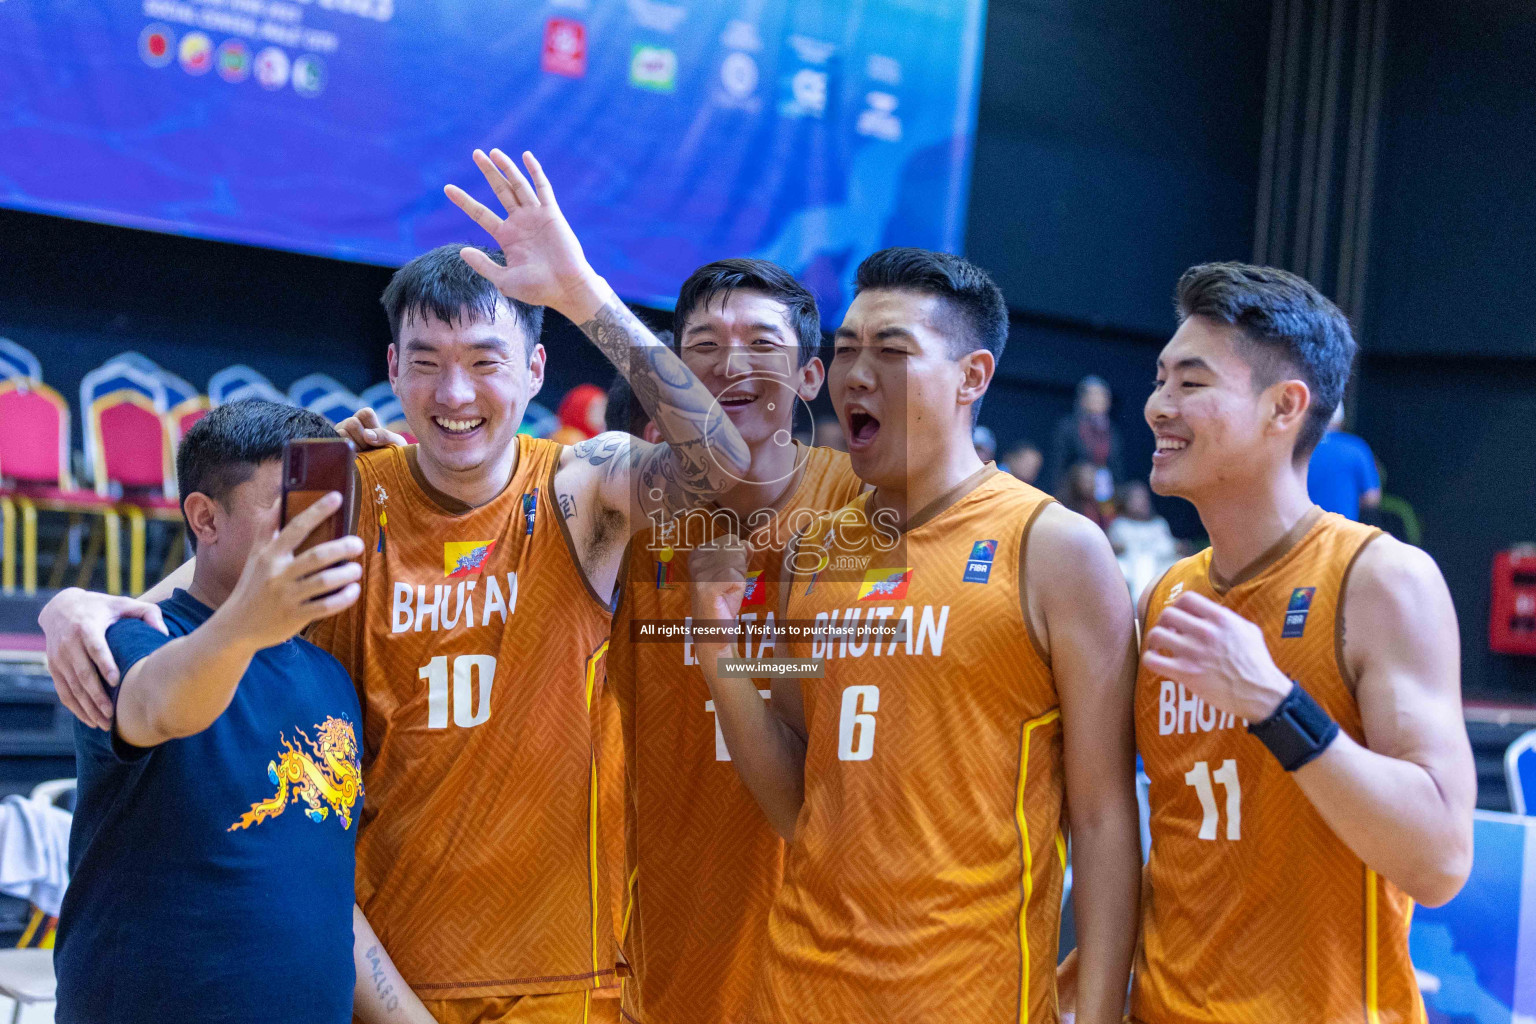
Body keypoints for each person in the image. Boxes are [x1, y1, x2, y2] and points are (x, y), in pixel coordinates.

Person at [40, 147, 748, 1024]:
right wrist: (81, 606)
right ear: (392, 367)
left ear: (534, 371)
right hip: (378, 980)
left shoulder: (580, 490)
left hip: (561, 977)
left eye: (486, 360)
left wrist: (585, 296)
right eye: (426, 361)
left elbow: (731, 469)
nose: (455, 392)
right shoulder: (345, 496)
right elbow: (202, 589)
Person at [691, 248, 1141, 1023]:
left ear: (972, 377)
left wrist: (1098, 1013)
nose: (856, 373)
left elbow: (1103, 820)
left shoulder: (1053, 548)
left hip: (966, 995)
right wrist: (720, 648)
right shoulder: (815, 550)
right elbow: (801, 797)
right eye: (850, 348)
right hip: (795, 990)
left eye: (892, 350)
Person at [1134, 262, 1475, 1023]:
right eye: (1160, 379)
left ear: (1285, 406)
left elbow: (1442, 859)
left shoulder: (1382, 580)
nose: (1158, 405)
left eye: (1191, 383)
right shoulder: (1165, 596)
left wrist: (1274, 703)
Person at [604, 258, 864, 1024]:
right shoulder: (619, 508)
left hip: (815, 953)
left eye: (761, 342)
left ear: (812, 375)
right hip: (651, 949)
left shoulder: (867, 508)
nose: (732, 363)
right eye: (704, 345)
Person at [54, 401, 369, 1024]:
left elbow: (328, 901)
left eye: (332, 508)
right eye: (293, 510)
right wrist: (249, 620)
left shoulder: (330, 678)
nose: (320, 534)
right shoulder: (131, 637)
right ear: (205, 517)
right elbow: (161, 704)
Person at [1048, 374, 1123, 497]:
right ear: (1082, 399)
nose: (1099, 400)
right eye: (1094, 395)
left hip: (1105, 495)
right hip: (1074, 494)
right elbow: (1058, 465)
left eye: (1103, 396)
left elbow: (1117, 467)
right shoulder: (1068, 426)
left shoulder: (1112, 430)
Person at [1306, 404, 1382, 520]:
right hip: (1341, 533)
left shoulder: (1298, 447)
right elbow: (1372, 498)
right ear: (1341, 420)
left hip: (1300, 532)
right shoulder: (1356, 448)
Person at [1106, 480, 1180, 598]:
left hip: (1161, 566)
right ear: (1126, 501)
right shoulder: (1120, 524)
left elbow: (1169, 547)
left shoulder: (1159, 524)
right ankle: (1140, 607)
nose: (1142, 502)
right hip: (1130, 568)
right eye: (1137, 498)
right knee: (1142, 562)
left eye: (1144, 498)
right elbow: (1112, 549)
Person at [1057, 460, 1110, 529]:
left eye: (1092, 480)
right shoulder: (1063, 504)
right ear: (1076, 481)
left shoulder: (1098, 504)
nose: (1091, 485)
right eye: (1087, 481)